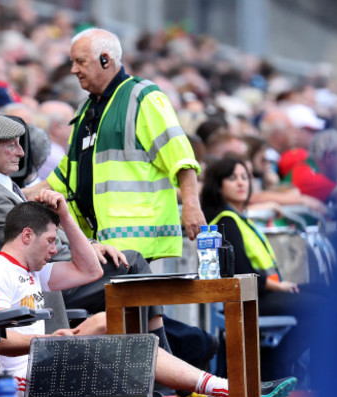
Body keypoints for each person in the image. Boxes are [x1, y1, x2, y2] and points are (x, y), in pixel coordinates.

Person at [0, 194, 296, 397]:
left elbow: (89, 268)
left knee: (114, 326)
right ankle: (224, 388)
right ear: (26, 235)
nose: (53, 249)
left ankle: (224, 388)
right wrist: (47, 340)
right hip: (18, 385)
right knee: (118, 337)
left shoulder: (35, 272)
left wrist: (64, 213)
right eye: (50, 241)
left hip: (44, 365)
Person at [0, 116, 172, 348]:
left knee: (131, 270)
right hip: (43, 282)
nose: (21, 152)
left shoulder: (0, 185)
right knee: (130, 265)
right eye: (12, 145)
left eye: (19, 144)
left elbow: (47, 237)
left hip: (44, 276)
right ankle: (159, 359)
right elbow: (43, 250)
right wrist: (85, 248)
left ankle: (153, 360)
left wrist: (90, 245)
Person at [24, 28, 206, 260]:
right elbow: (64, 176)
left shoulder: (143, 97)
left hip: (138, 243)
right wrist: (19, 194)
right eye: (72, 62)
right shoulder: (84, 111)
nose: (73, 70)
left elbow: (181, 158)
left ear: (105, 60)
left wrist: (191, 205)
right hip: (99, 242)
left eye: (80, 62)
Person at [200, 157, 327, 380]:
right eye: (232, 178)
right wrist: (281, 287)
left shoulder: (239, 216)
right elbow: (240, 272)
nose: (241, 183)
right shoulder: (225, 222)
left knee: (329, 294)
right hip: (251, 296)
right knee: (323, 307)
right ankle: (275, 364)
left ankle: (277, 363)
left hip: (265, 291)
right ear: (218, 186)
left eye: (244, 177)